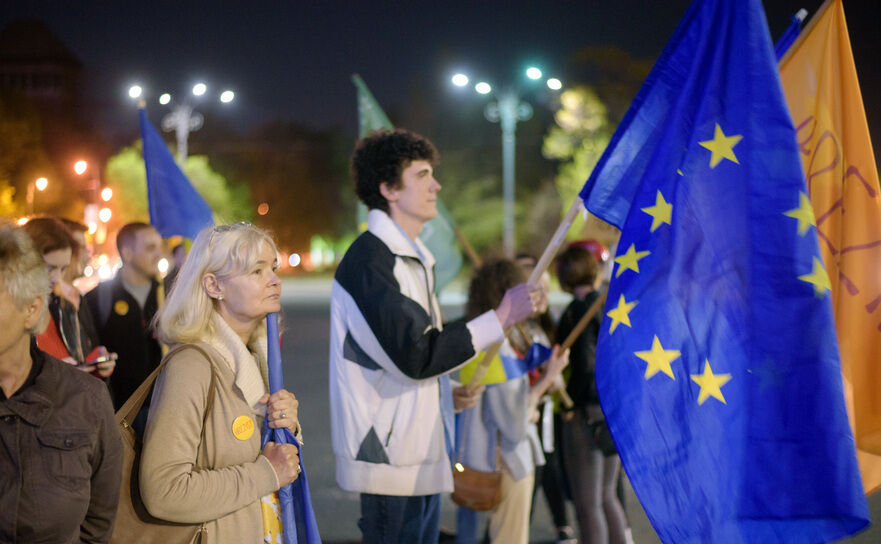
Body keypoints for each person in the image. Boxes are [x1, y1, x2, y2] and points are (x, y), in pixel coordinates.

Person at [330, 128, 541, 544]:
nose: (436, 185)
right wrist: (500, 317)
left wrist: (447, 394)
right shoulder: (372, 260)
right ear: (389, 188)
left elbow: (408, 356)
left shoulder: (410, 258)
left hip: (419, 452)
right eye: (423, 175)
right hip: (389, 459)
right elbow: (417, 354)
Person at [139, 222, 301, 543]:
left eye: (273, 267)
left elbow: (275, 464)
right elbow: (163, 490)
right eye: (256, 272)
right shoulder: (192, 365)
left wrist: (289, 430)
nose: (274, 280)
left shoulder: (257, 357)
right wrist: (265, 473)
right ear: (213, 285)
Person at [0, 223, 121, 542]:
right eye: (51, 267)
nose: (58, 276)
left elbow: (99, 519)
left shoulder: (87, 401)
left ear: (32, 309)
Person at [455, 258, 569, 544]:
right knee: (509, 536)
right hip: (506, 459)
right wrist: (546, 379)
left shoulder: (487, 337)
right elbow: (514, 424)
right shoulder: (498, 347)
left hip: (490, 456)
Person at [554, 244, 628, 544]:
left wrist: (571, 403)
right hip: (611, 409)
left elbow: (584, 366)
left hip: (586, 411)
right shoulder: (611, 306)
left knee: (588, 502)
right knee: (607, 495)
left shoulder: (578, 311)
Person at [22, 217, 115, 378]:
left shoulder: (63, 306)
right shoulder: (10, 312)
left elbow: (77, 364)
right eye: (49, 268)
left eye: (63, 268)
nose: (56, 277)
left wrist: (95, 364)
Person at [85, 222, 163, 409]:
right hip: (117, 412)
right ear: (127, 253)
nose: (158, 255)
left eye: (159, 248)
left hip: (163, 408)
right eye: (150, 248)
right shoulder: (98, 298)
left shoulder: (169, 295)